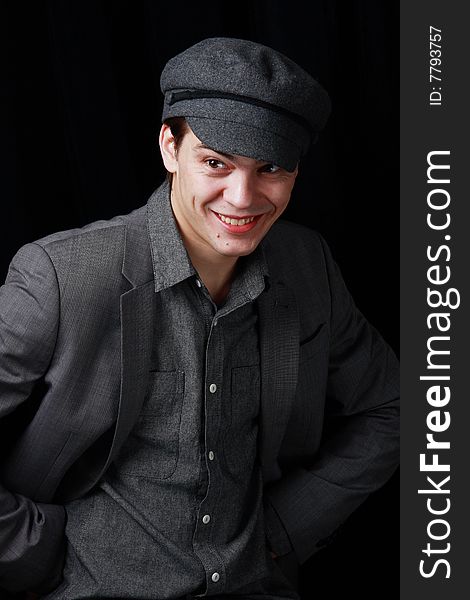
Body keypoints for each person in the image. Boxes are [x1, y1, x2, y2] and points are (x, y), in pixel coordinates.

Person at [0, 38, 399, 599]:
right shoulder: (62, 277)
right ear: (170, 147)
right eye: (216, 162)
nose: (242, 197)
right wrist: (31, 552)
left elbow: (398, 406)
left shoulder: (308, 267)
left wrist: (289, 525)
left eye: (271, 169)